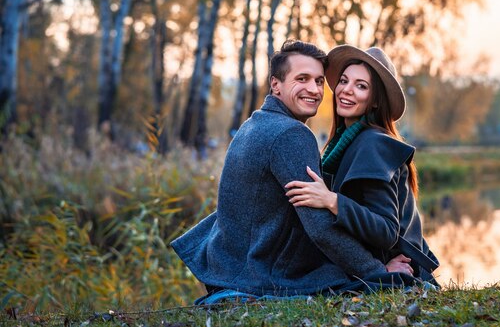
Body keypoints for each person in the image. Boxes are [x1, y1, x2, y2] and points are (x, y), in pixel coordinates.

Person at [170, 40, 414, 303]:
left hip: (230, 267)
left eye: (319, 81)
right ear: (276, 84)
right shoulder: (293, 135)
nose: (314, 89)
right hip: (260, 273)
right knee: (339, 278)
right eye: (302, 79)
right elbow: (320, 229)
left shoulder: (252, 125)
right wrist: (379, 275)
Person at [285, 45, 440, 285]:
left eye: (361, 86)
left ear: (375, 101)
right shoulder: (346, 141)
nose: (346, 91)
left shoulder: (373, 144)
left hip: (398, 267)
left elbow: (387, 231)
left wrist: (332, 200)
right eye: (344, 81)